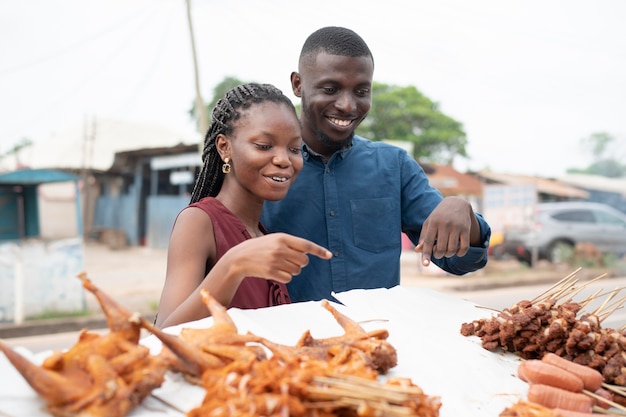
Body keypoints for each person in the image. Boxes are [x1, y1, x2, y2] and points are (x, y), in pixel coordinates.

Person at [261, 26, 491, 303]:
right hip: (289, 342)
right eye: (330, 89)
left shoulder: (394, 167)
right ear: (298, 84)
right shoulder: (262, 167)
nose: (347, 105)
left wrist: (463, 213)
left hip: (377, 341)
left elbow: (459, 261)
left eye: (361, 91)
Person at [155, 83, 332, 328]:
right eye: (263, 146)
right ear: (224, 147)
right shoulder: (199, 221)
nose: (283, 160)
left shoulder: (260, 233)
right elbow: (165, 334)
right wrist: (233, 265)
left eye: (294, 148)